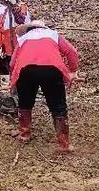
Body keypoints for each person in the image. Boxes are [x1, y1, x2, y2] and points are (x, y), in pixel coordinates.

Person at [10, 20, 79, 152]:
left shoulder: (23, 38)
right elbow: (72, 52)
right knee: (58, 106)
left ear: (29, 29)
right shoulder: (53, 34)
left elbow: (13, 63)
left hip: (26, 70)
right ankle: (64, 143)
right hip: (52, 69)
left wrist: (14, 79)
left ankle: (25, 134)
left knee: (25, 103)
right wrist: (73, 71)